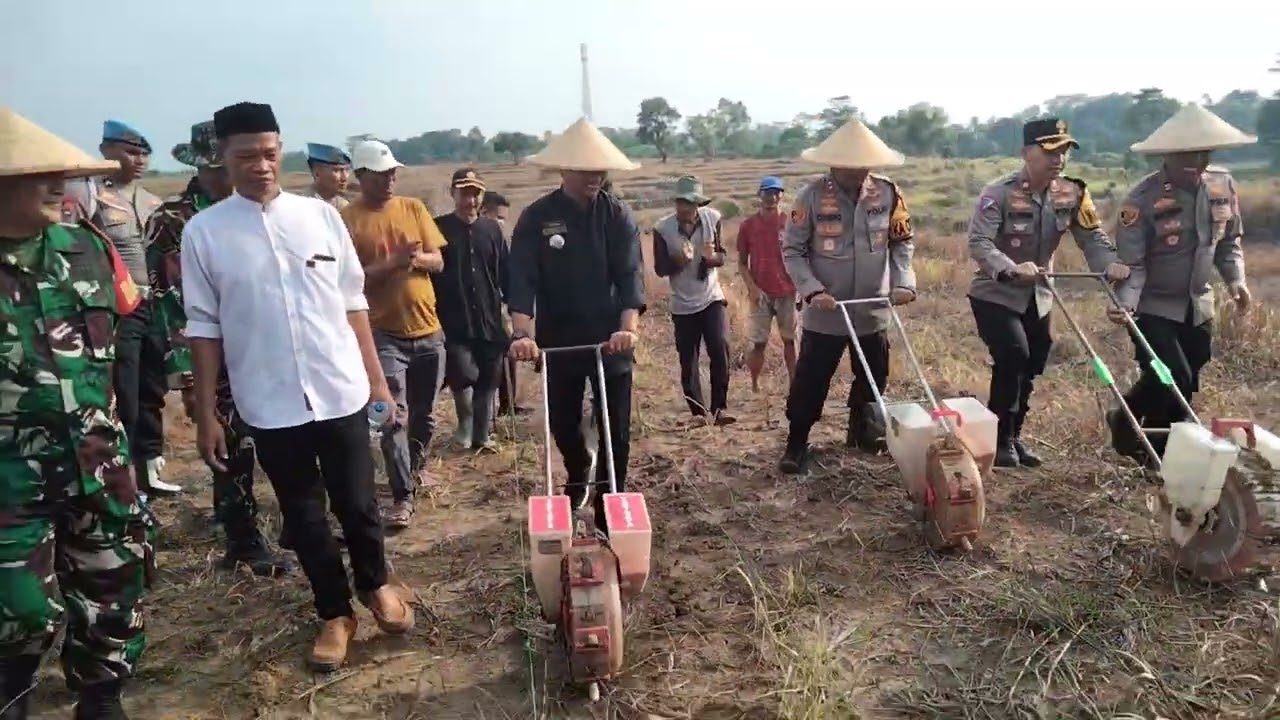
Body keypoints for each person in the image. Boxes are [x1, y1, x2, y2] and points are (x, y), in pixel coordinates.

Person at [181, 102, 412, 672]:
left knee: (358, 502)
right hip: (269, 399)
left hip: (339, 388)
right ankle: (334, 612)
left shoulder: (320, 217)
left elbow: (353, 302)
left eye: (269, 154)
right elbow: (204, 327)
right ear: (224, 158)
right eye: (246, 156)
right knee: (303, 515)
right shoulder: (205, 233)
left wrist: (378, 383)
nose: (260, 166)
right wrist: (207, 412)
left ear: (281, 151)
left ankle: (376, 584)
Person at [0, 106, 156, 720]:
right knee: (18, 612)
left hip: (100, 468)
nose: (57, 184)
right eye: (37, 174)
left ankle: (101, 699)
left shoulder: (87, 247)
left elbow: (117, 342)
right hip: (11, 479)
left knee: (115, 592)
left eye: (60, 173)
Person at [146, 120, 293, 577]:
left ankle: (297, 525)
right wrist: (190, 379)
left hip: (268, 352)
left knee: (288, 442)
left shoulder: (262, 210)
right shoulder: (174, 221)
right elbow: (172, 304)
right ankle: (243, 543)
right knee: (231, 452)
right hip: (215, 360)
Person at [507, 118, 645, 529]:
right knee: (564, 423)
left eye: (599, 169)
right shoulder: (536, 217)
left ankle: (608, 506)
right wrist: (522, 334)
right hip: (559, 340)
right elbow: (522, 280)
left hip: (610, 341)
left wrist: (628, 328)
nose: (594, 176)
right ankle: (579, 463)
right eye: (585, 169)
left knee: (615, 429)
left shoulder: (617, 215)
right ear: (564, 170)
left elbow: (630, 276)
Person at [967, 117, 1129, 468]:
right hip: (996, 292)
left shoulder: (1072, 193)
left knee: (1034, 360)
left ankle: (1014, 435)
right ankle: (999, 440)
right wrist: (1011, 267)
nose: (1059, 159)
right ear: (1027, 152)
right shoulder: (998, 194)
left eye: (1065, 151)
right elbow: (979, 242)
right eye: (1050, 151)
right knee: (1013, 355)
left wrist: (1110, 264)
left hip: (1038, 295)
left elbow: (1092, 237)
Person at [1108, 104, 1255, 462]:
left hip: (1198, 304)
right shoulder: (1141, 200)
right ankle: (1162, 455)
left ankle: (1125, 420)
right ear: (1168, 155)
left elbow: (1228, 242)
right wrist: (1125, 303)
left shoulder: (1222, 185)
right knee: (1173, 377)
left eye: (1204, 153)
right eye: (1187, 154)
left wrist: (1236, 280)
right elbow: (1133, 264)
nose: (1197, 162)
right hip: (1153, 307)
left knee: (1187, 375)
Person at [779, 119, 917, 473]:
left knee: (873, 376)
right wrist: (812, 290)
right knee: (812, 380)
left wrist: (903, 282)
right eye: (851, 165)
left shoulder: (888, 194)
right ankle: (797, 443)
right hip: (827, 310)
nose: (859, 172)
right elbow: (793, 251)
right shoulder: (810, 197)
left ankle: (861, 433)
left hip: (871, 307)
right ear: (834, 163)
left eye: (864, 165)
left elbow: (902, 243)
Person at [340, 139, 446, 530]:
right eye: (381, 175)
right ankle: (402, 496)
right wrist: (393, 263)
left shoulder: (413, 208)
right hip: (383, 334)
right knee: (389, 417)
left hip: (429, 330)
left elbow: (438, 261)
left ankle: (414, 471)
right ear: (361, 176)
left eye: (393, 174)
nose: (390, 180)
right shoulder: (347, 220)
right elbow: (351, 280)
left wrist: (415, 260)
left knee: (425, 415)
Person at [94, 120, 182, 496]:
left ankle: (150, 468)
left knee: (152, 388)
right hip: (118, 308)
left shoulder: (151, 202)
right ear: (106, 151)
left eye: (145, 154)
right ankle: (124, 476)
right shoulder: (91, 197)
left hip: (153, 305)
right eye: (131, 152)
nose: (140, 160)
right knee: (124, 392)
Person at [434, 169, 510, 449]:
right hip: (454, 318)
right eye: (464, 193)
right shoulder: (438, 228)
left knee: (489, 377)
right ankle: (464, 426)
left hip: (489, 317)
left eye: (476, 193)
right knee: (463, 374)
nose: (471, 199)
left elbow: (505, 272)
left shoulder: (492, 230)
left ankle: (482, 434)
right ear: (452, 193)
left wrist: (511, 312)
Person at [652, 175, 735, 425]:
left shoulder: (713, 218)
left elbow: (722, 256)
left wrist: (711, 259)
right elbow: (660, 268)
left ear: (698, 203)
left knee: (720, 347)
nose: (686, 208)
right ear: (676, 202)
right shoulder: (662, 229)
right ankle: (698, 413)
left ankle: (719, 408)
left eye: (690, 203)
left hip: (711, 297)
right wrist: (677, 262)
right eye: (682, 202)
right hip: (682, 303)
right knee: (688, 359)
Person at [737, 175, 798, 391]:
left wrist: (801, 287)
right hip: (760, 292)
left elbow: (801, 255)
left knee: (790, 340)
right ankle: (755, 386)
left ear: (781, 195)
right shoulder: (748, 226)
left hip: (787, 290)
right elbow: (742, 263)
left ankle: (794, 385)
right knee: (759, 343)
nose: (771, 197)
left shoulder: (790, 223)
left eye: (775, 193)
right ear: (759, 195)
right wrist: (752, 288)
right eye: (767, 193)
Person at [483, 192, 529, 416]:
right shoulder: (477, 239)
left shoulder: (500, 241)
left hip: (499, 306)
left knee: (508, 352)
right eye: (498, 217)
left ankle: (508, 404)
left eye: (504, 219)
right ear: (484, 213)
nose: (502, 223)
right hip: (478, 309)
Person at [301, 142, 351, 209]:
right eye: (336, 170)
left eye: (347, 170)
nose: (344, 177)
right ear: (317, 173)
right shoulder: (303, 206)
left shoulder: (345, 206)